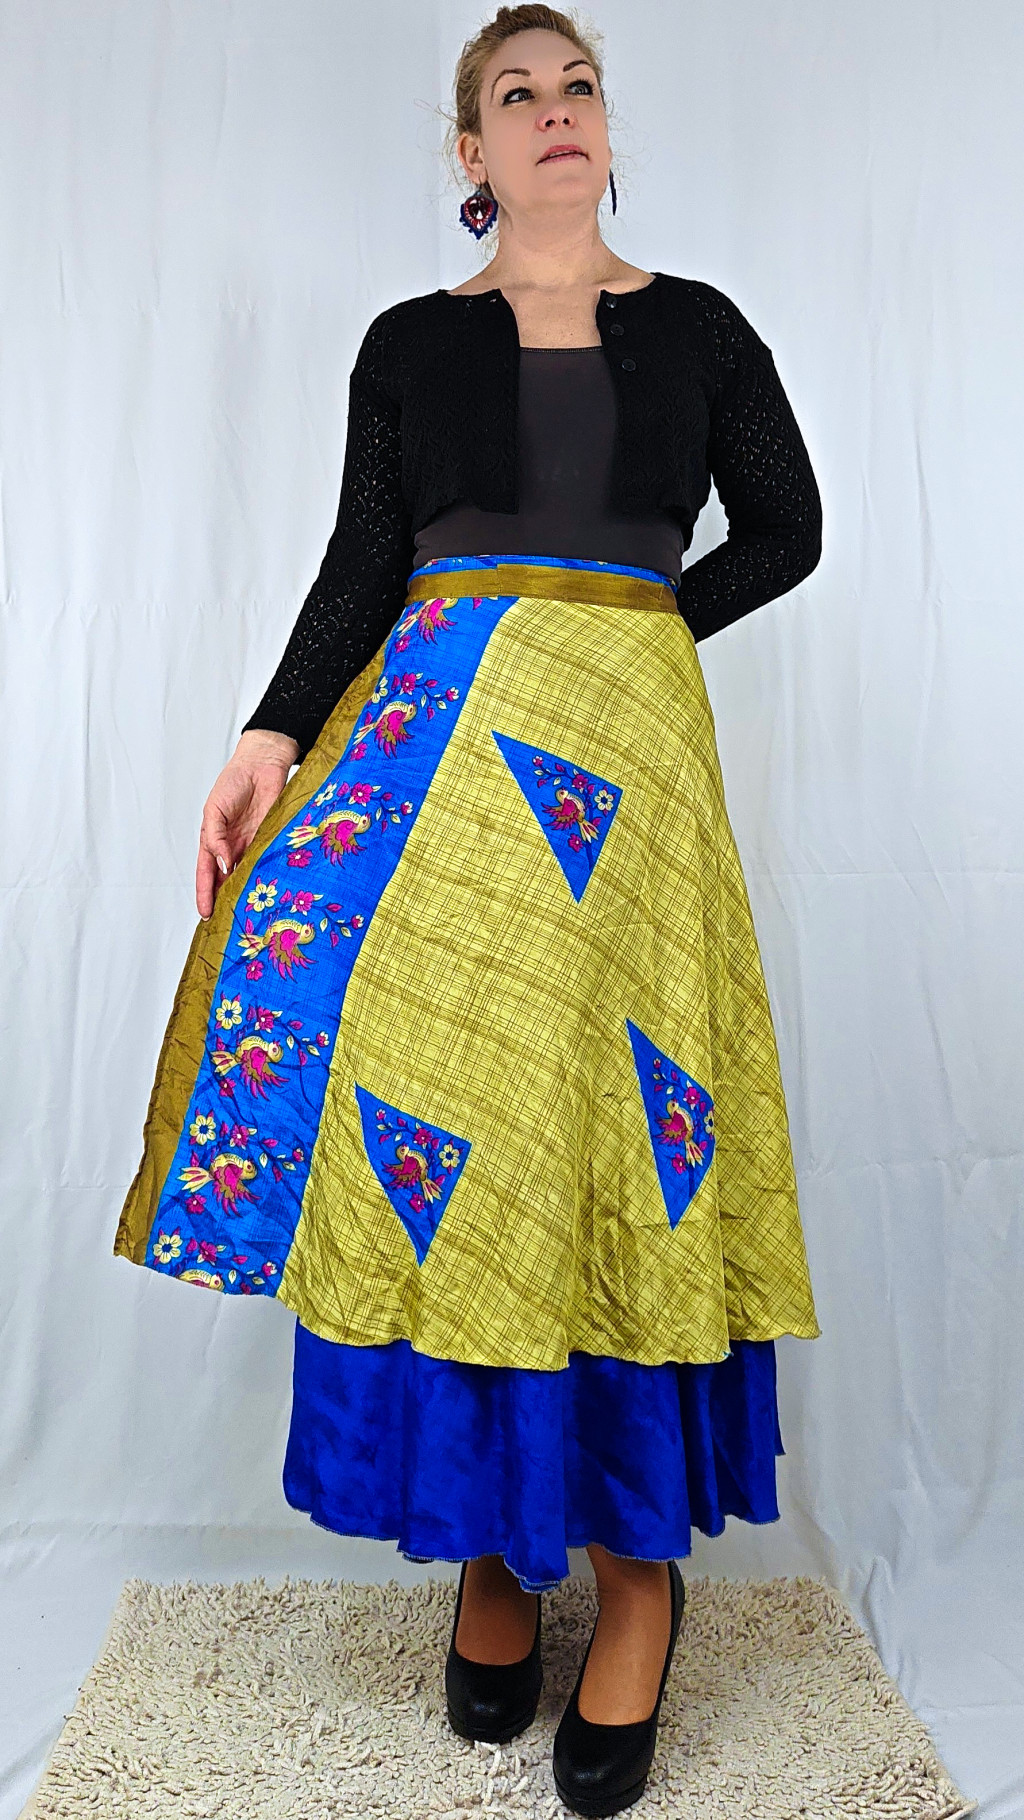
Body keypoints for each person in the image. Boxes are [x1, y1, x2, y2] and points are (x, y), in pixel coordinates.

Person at [113, 6, 823, 1813]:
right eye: (518, 95)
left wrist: (634, 639)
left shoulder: (704, 329)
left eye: (579, 87)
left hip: (629, 791)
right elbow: (366, 558)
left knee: (630, 1127)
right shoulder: (409, 345)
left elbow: (787, 527)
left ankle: (640, 1579)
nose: (556, 113)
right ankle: (498, 1549)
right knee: (458, 1113)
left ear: (607, 130)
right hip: (437, 768)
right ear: (471, 154)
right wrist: (272, 732)